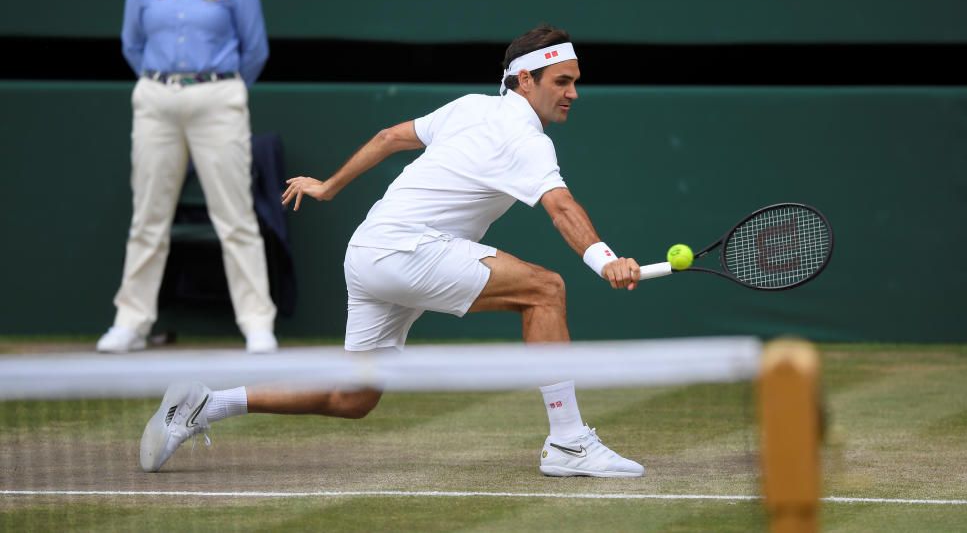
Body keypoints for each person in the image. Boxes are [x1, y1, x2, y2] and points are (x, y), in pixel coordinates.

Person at [139, 25, 645, 477]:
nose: (574, 93)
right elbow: (561, 207)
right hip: (406, 251)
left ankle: (207, 404)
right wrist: (604, 260)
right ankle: (569, 444)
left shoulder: (470, 107)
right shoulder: (524, 138)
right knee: (545, 290)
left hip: (367, 252)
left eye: (576, 81)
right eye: (563, 82)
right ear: (525, 81)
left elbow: (389, 136)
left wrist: (331, 186)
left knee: (354, 397)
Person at [97, 0, 278, 355]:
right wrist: (162, 84)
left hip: (217, 98)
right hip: (156, 97)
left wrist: (222, 90)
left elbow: (255, 49)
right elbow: (131, 44)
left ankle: (258, 324)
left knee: (235, 217)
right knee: (148, 218)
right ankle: (131, 322)